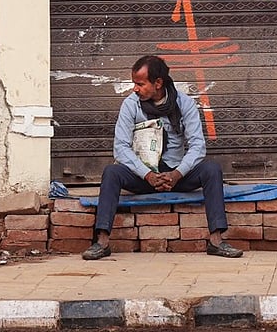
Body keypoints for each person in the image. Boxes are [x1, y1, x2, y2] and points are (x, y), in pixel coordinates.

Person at [81, 54, 243, 260]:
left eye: (140, 84)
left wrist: (178, 173)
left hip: (176, 175)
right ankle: (102, 242)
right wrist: (147, 174)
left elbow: (198, 146)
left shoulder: (184, 104)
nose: (135, 89)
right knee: (111, 172)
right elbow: (121, 148)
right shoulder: (131, 105)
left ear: (158, 83)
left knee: (212, 169)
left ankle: (216, 241)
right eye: (134, 83)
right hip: (143, 176)